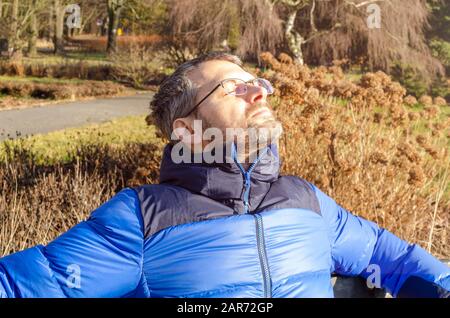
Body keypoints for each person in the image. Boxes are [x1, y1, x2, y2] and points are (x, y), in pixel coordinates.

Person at [0, 52, 449, 298]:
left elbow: (393, 261)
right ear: (187, 130)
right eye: (232, 88)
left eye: (257, 81)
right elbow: (32, 286)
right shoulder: (142, 220)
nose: (260, 90)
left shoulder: (308, 202)